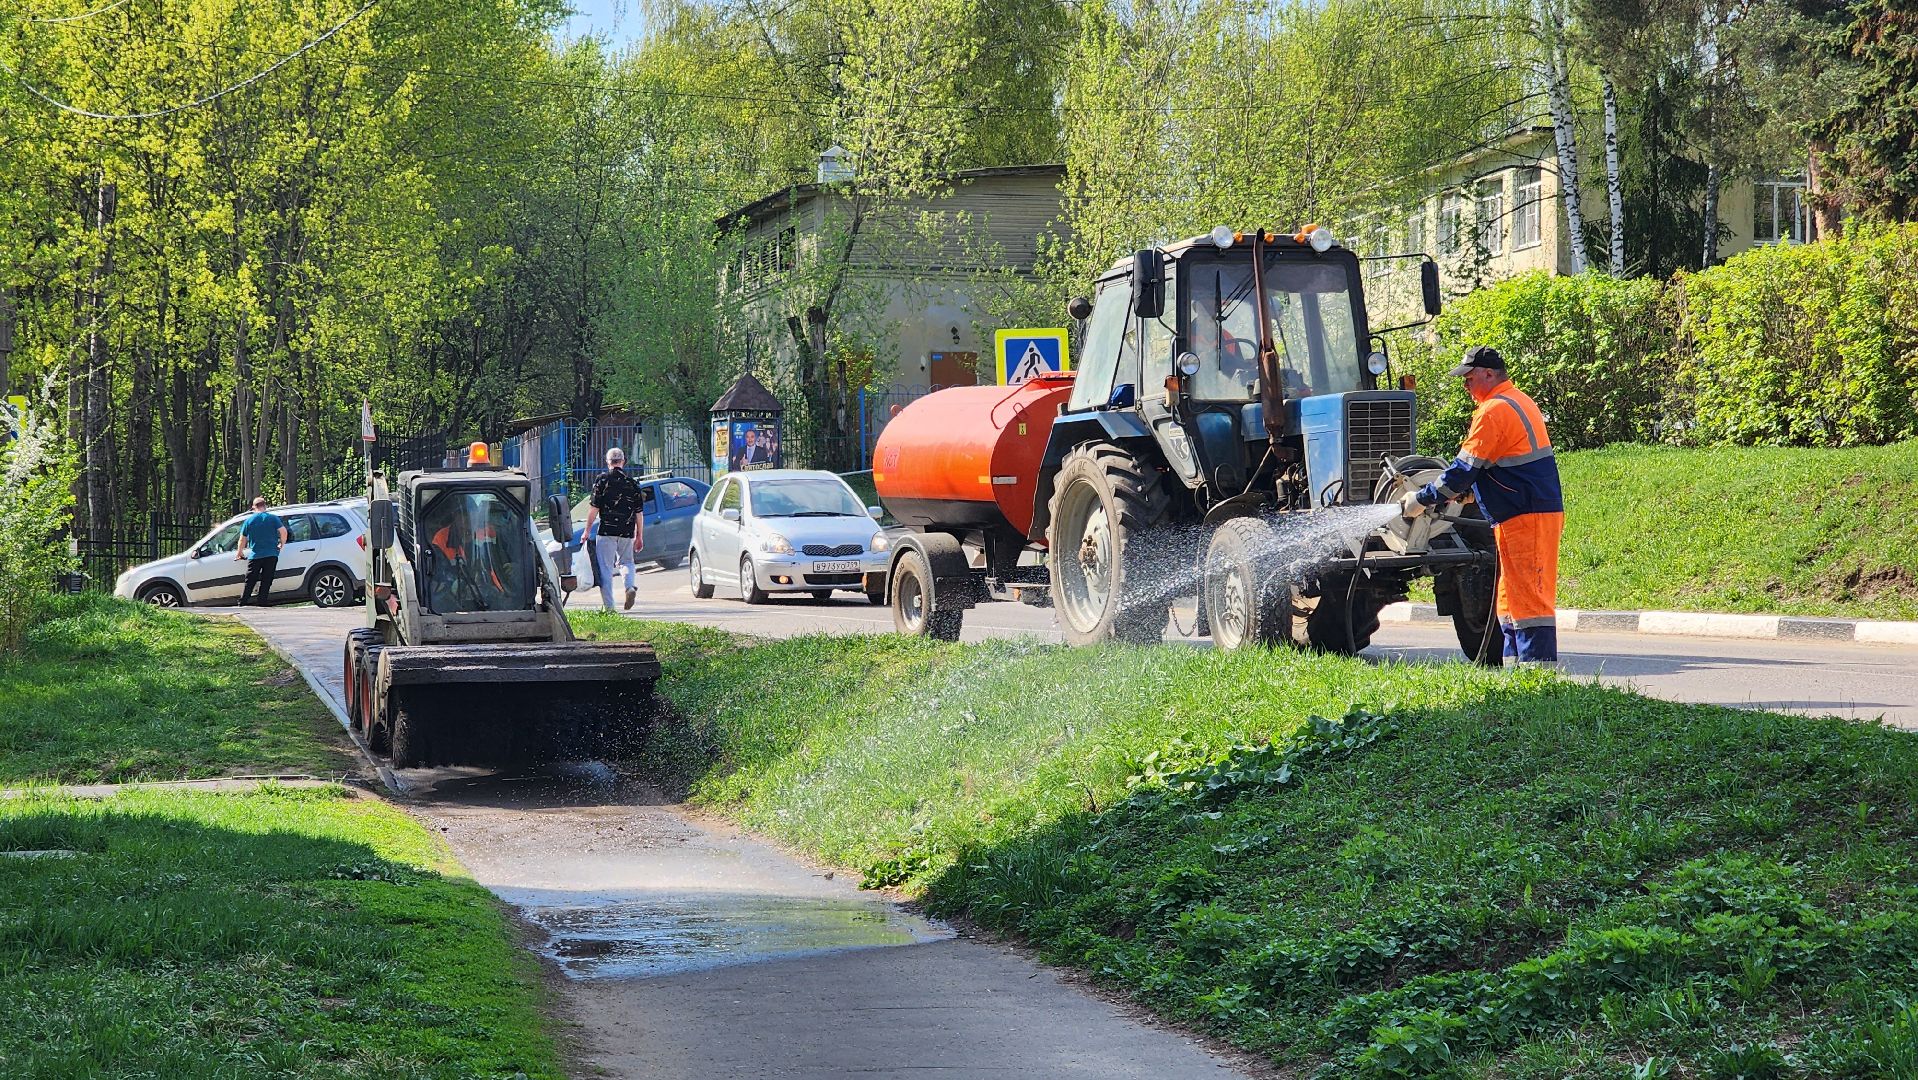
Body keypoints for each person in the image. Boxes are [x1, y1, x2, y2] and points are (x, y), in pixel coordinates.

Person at [1401, 346, 1564, 664]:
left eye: (1469, 378)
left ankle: (1538, 680)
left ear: (1489, 374)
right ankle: (1520, 673)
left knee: (1529, 598)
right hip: (1522, 513)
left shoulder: (1494, 410)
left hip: (1524, 515)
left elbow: (1462, 470)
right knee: (1511, 596)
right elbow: (1501, 466)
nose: (1465, 386)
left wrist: (1420, 500)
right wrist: (1473, 494)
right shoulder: (1518, 400)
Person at [584, 447, 644, 611]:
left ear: (608, 462)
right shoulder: (632, 483)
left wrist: (587, 530)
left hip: (606, 531)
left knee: (606, 569)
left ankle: (610, 608)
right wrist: (639, 536)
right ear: (623, 461)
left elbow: (593, 509)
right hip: (626, 530)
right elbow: (639, 513)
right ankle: (630, 586)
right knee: (627, 562)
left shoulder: (602, 480)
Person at [237, 496, 287, 606]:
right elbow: (283, 532)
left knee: (250, 579)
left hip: (255, 555)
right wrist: (281, 544)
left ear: (254, 507)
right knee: (267, 579)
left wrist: (239, 552)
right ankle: (262, 601)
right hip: (271, 554)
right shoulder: (273, 518)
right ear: (265, 506)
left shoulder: (249, 521)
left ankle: (243, 601)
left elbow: (242, 539)